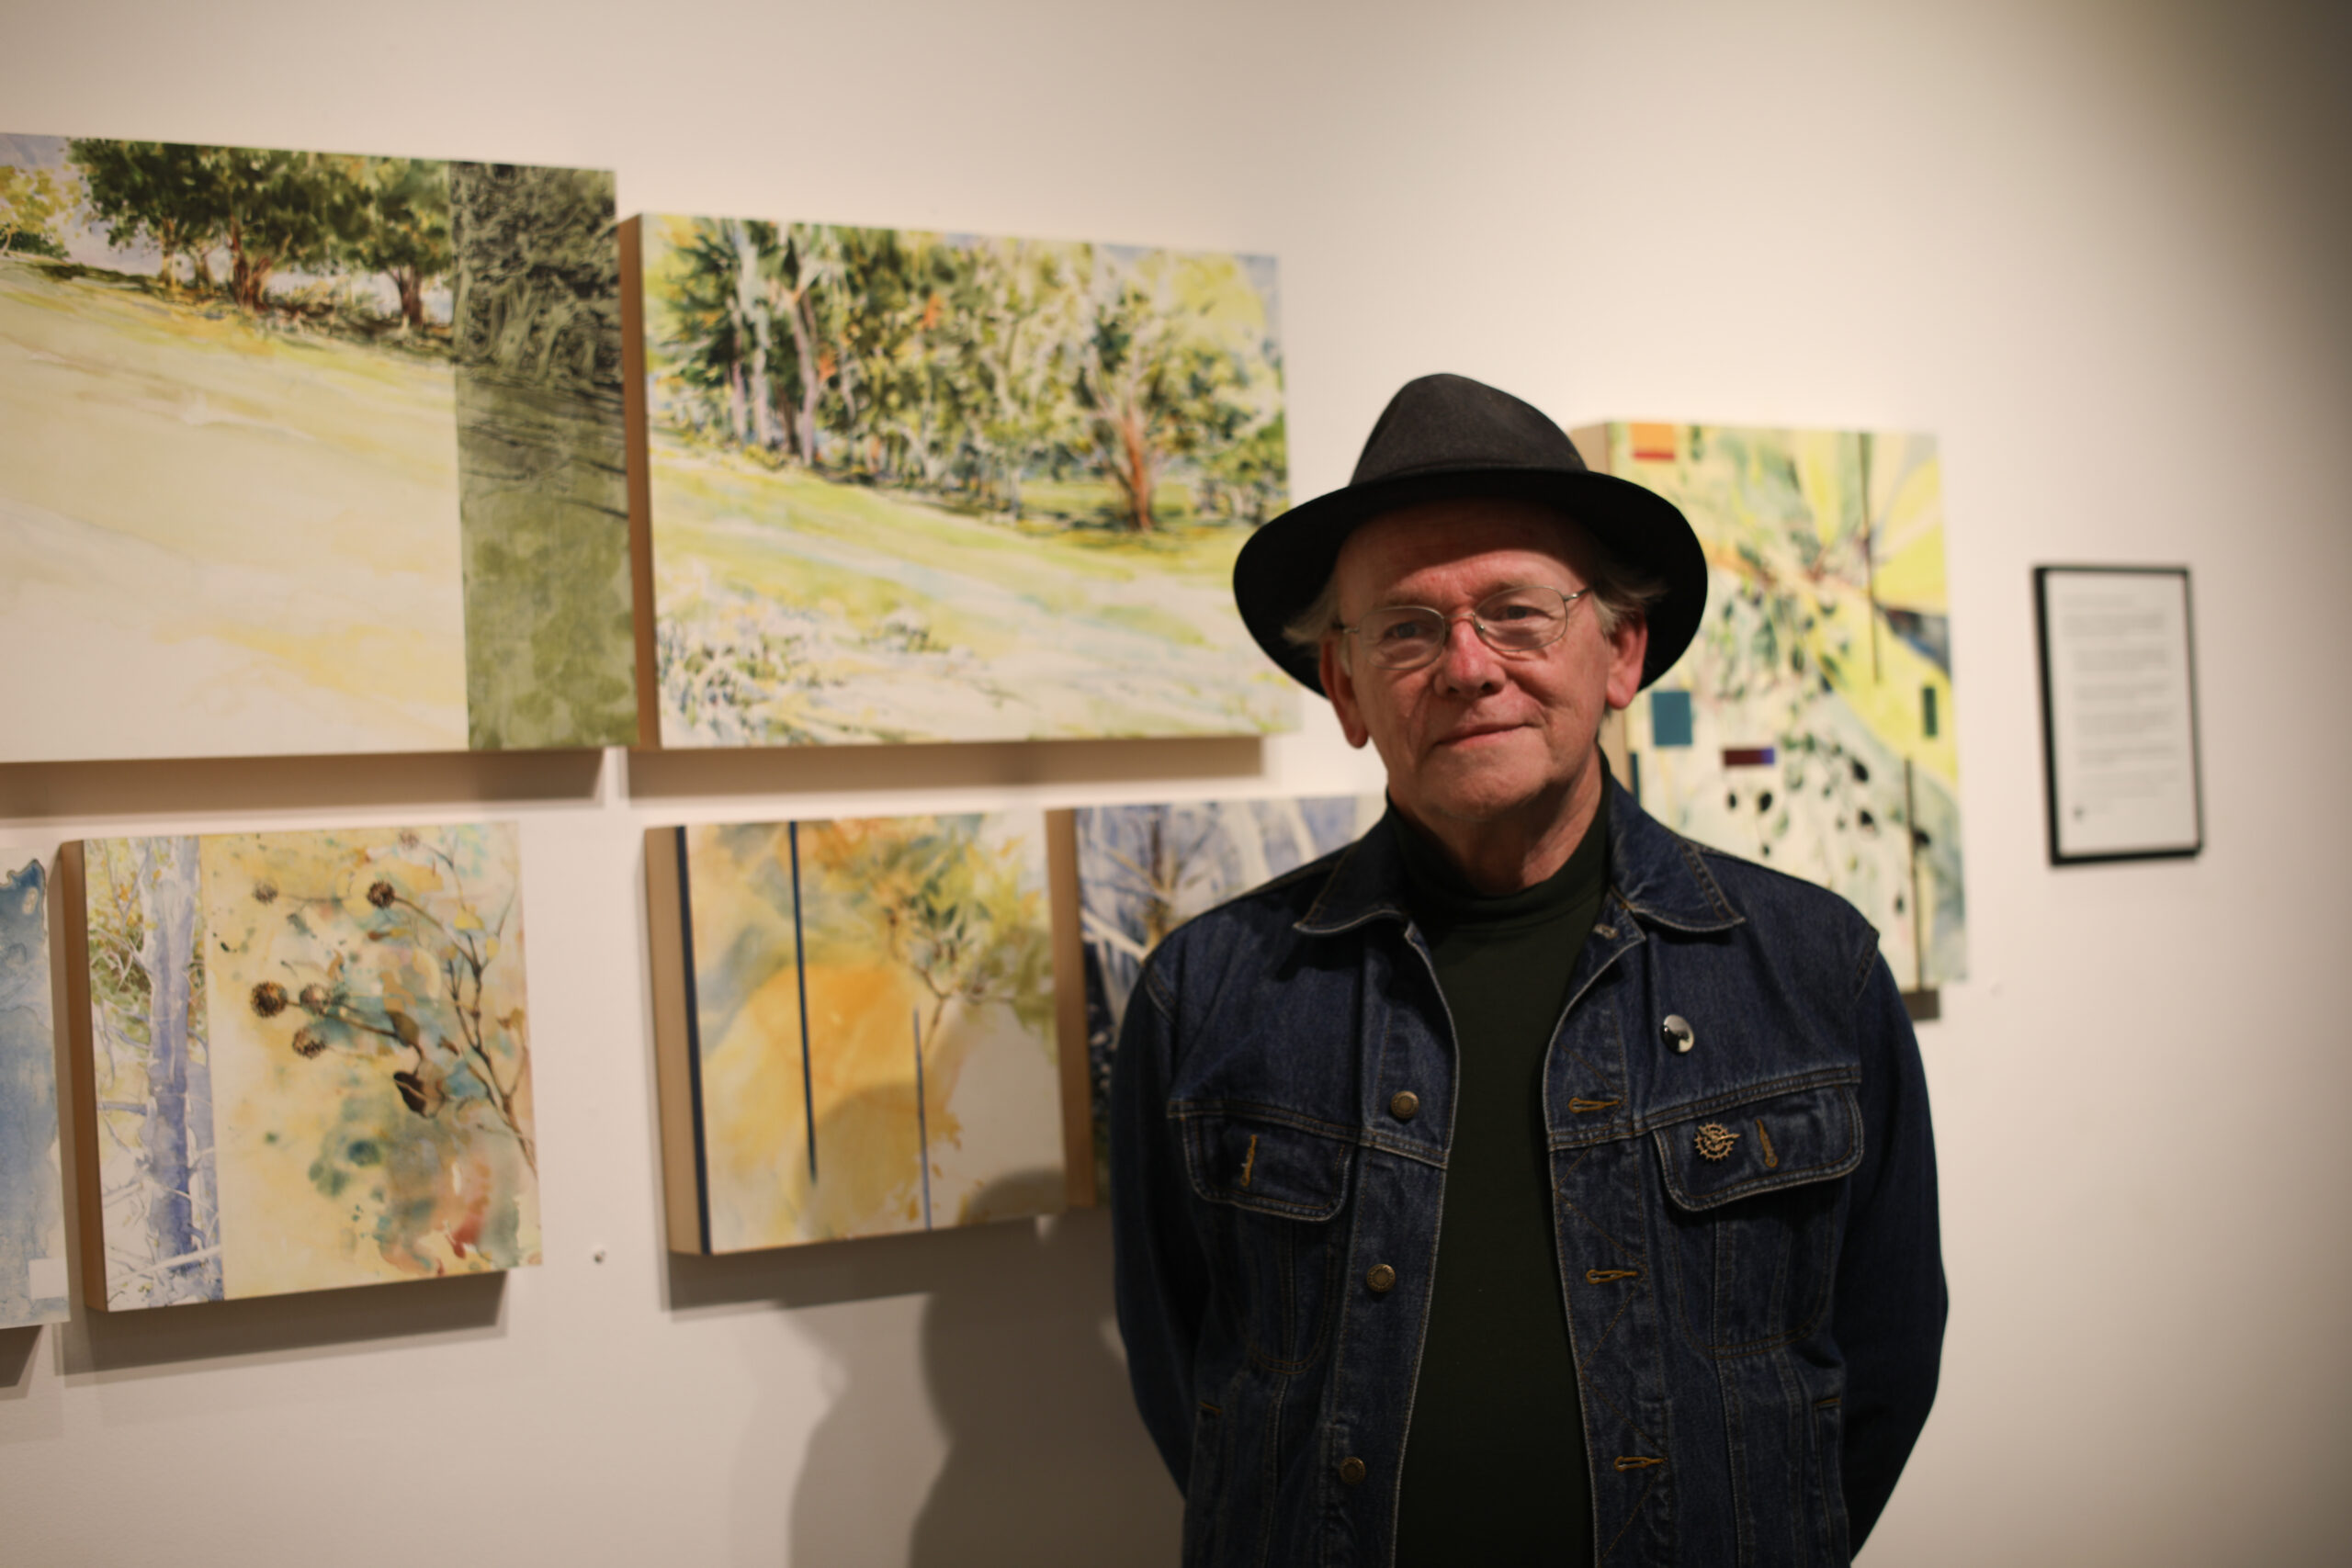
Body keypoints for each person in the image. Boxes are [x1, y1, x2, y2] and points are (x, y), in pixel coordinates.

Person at [1109, 374, 1944, 1567]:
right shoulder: (1212, 995)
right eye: (1405, 627)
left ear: (1620, 650)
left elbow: (1882, 1366)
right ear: (1345, 686)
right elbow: (1195, 1381)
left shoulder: (1812, 973)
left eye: (1517, 612)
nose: (1467, 665)